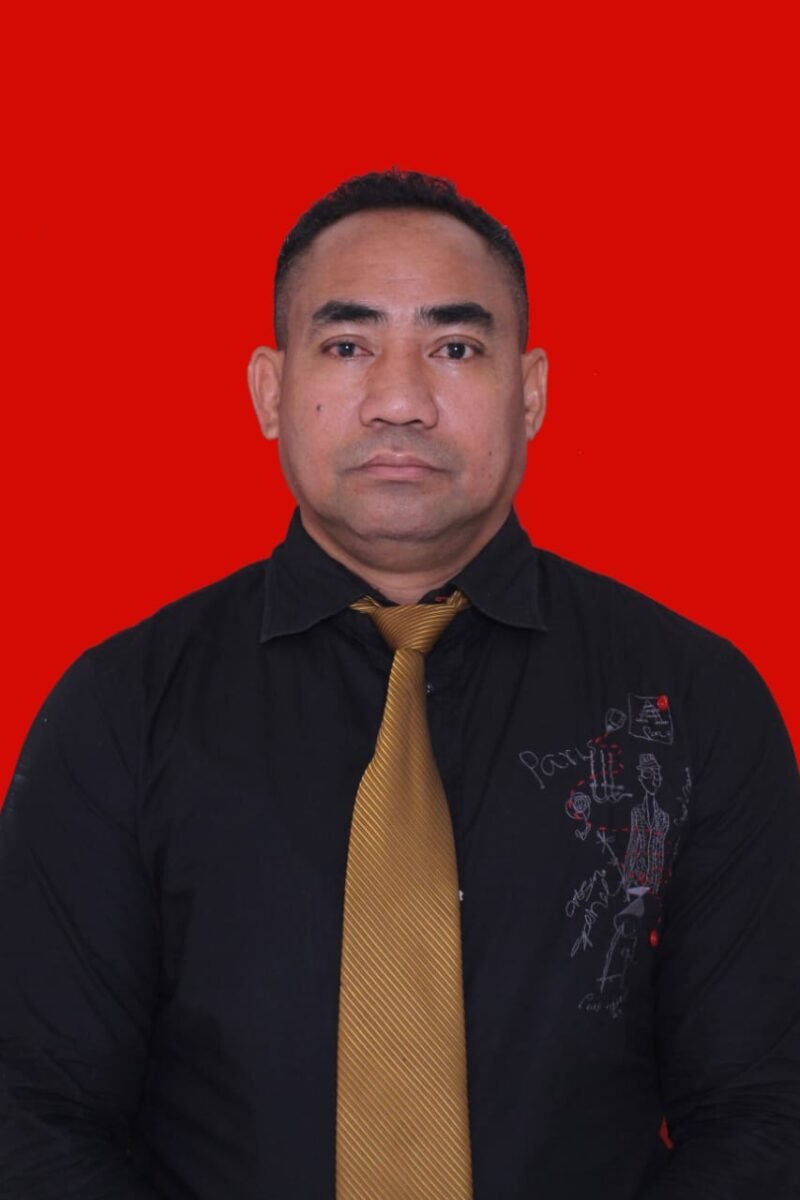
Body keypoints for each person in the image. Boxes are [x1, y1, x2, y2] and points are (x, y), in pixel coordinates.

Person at [1, 169, 798, 1200]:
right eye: (347, 345)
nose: (400, 401)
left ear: (531, 391)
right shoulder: (119, 712)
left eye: (455, 347)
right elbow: (34, 1111)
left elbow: (763, 1110)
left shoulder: (694, 704)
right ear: (269, 391)